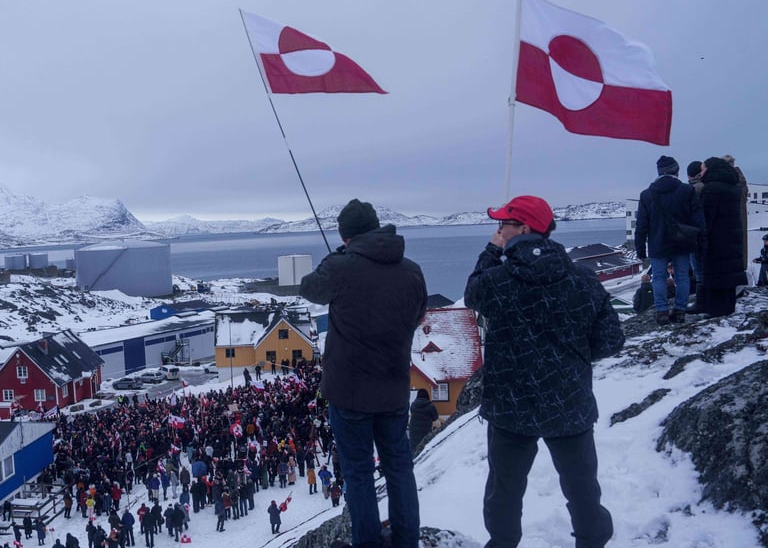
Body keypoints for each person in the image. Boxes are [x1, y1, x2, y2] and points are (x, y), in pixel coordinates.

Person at [464, 194, 625, 548]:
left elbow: (472, 293)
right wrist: (573, 360)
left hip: (510, 405)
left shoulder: (498, 280)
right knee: (582, 486)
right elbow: (611, 339)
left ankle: (503, 543)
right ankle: (592, 540)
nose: (498, 229)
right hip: (569, 401)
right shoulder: (582, 279)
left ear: (522, 228)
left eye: (503, 224)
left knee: (505, 491)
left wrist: (491, 252)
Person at [299, 198, 427, 548]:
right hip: (394, 388)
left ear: (346, 236)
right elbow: (419, 316)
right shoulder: (412, 270)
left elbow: (308, 287)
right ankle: (406, 541)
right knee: (399, 467)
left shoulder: (341, 267)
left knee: (358, 474)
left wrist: (337, 257)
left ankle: (367, 542)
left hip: (349, 392)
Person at [635, 156, 705, 325]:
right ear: (677, 171)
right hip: (682, 241)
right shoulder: (687, 191)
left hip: (657, 243)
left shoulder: (647, 195)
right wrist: (701, 242)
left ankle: (662, 312)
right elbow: (698, 219)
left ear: (659, 172)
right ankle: (680, 311)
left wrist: (640, 248)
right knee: (682, 276)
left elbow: (642, 224)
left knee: (658, 277)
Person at [699, 157, 748, 316]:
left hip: (717, 238)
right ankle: (728, 306)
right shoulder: (733, 186)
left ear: (711, 169)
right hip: (732, 234)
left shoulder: (711, 188)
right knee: (729, 273)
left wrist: (701, 237)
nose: (701, 172)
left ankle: (715, 309)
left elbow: (707, 217)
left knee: (716, 272)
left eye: (703, 169)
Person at [686, 160, 707, 313]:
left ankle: (701, 302)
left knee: (698, 270)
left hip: (695, 234)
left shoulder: (691, 190)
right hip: (709, 233)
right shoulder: (708, 187)